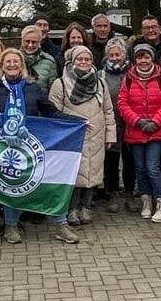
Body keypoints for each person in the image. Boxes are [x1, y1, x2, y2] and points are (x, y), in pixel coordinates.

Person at [0, 48, 81, 244]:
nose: (12, 65)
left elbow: (51, 112)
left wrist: (78, 122)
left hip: (34, 145)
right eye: (8, 62)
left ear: (22, 66)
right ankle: (11, 226)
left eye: (16, 62)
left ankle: (61, 224)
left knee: (48, 183)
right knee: (12, 186)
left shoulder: (33, 87)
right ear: (1, 65)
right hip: (6, 149)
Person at [49, 45, 117, 226]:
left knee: (92, 173)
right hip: (72, 136)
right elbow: (53, 112)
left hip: (96, 134)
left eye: (87, 59)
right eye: (80, 59)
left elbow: (108, 110)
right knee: (73, 174)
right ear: (71, 61)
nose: (84, 62)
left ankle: (86, 208)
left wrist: (110, 135)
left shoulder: (100, 83)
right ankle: (71, 209)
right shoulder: (60, 83)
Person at [117, 44, 161, 222]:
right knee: (140, 169)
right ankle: (146, 201)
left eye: (146, 57)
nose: (143, 61)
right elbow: (122, 103)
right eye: (140, 57)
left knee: (152, 168)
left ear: (152, 58)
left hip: (156, 131)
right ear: (135, 60)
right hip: (136, 130)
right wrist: (138, 121)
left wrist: (155, 122)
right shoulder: (128, 78)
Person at [101, 37, 136, 213]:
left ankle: (129, 193)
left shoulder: (133, 73)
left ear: (124, 54)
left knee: (129, 160)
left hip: (130, 123)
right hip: (111, 123)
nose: (115, 58)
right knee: (111, 161)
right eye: (111, 54)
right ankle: (113, 193)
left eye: (118, 54)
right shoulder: (101, 75)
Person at [21, 25, 59, 91]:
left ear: (39, 42)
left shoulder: (49, 62)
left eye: (34, 42)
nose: (30, 45)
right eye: (27, 41)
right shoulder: (13, 59)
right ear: (22, 41)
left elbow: (52, 90)